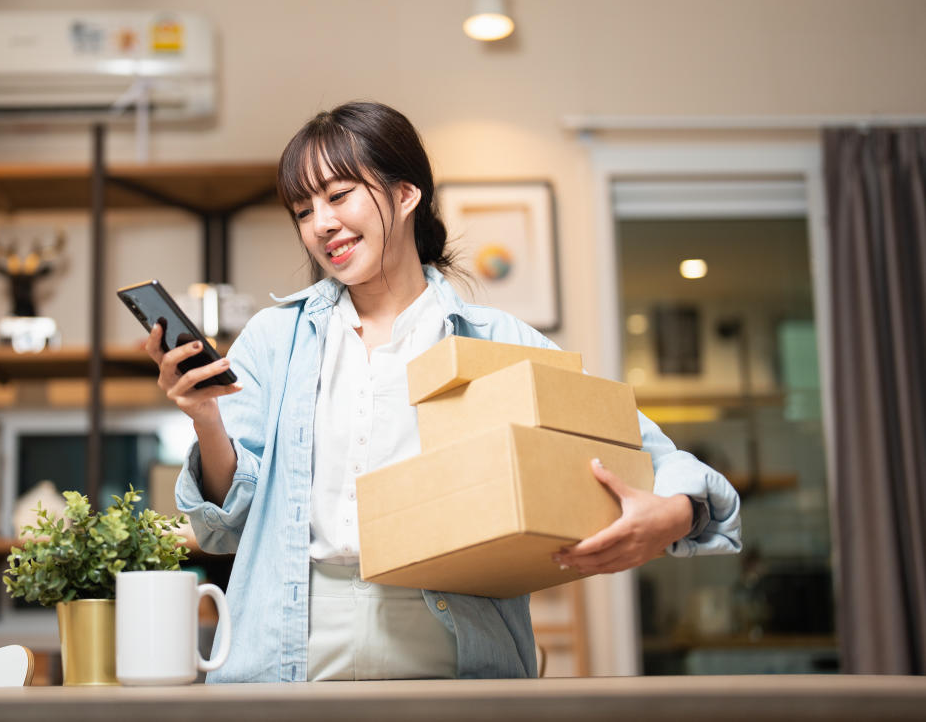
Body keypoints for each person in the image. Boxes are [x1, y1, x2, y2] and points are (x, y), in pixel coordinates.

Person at [143, 101, 741, 682]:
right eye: (302, 210)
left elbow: (655, 459)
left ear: (406, 195)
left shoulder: (501, 342)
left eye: (339, 195)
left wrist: (675, 513)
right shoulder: (274, 340)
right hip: (289, 642)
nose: (320, 224)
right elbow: (224, 526)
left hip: (454, 640)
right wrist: (205, 418)